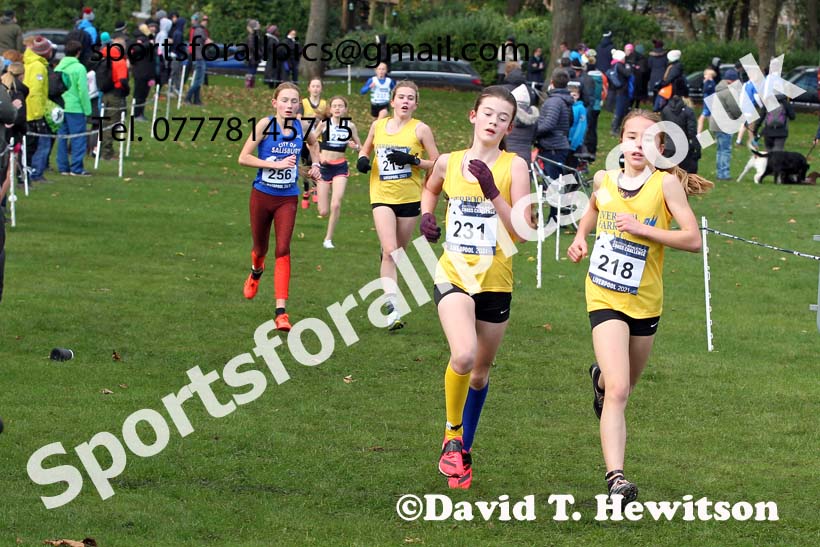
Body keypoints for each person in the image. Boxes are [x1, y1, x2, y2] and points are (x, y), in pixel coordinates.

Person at [567, 109, 713, 504]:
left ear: (660, 148)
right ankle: (616, 479)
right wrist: (581, 238)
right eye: (631, 136)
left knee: (623, 385)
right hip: (604, 294)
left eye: (648, 139)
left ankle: (598, 378)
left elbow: (692, 239)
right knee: (618, 390)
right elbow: (593, 210)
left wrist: (644, 230)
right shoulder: (604, 179)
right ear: (621, 142)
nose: (638, 145)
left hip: (646, 301)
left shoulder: (665, 185)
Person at [421, 85, 531, 489]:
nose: (493, 121)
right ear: (473, 116)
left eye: (502, 118)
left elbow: (522, 231)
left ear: (510, 126)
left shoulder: (514, 167)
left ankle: (463, 451)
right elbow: (430, 187)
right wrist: (426, 217)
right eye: (488, 113)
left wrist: (492, 192)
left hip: (496, 281)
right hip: (453, 274)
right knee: (463, 355)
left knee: (480, 374)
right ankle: (452, 436)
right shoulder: (449, 161)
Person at [237, 82, 322, 331]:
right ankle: (256, 271)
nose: (289, 105)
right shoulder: (265, 125)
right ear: (275, 103)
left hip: (288, 198)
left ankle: (281, 313)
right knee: (260, 247)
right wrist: (276, 165)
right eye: (284, 100)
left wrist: (316, 165)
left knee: (283, 249)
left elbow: (314, 145)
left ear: (299, 105)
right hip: (262, 195)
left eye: (294, 101)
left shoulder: (302, 126)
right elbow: (243, 158)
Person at [356, 80, 439, 330]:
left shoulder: (421, 130)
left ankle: (386, 261)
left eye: (410, 98)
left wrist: (412, 160)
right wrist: (361, 159)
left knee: (395, 254)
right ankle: (392, 308)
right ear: (392, 101)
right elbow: (365, 149)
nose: (405, 101)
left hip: (410, 199)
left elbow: (437, 163)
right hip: (381, 195)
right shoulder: (378, 125)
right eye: (401, 97)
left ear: (415, 103)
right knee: (392, 249)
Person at [317, 96, 361, 249]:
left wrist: (354, 147)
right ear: (330, 109)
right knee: (323, 211)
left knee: (336, 204)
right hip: (324, 168)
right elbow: (311, 142)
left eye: (340, 106)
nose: (337, 108)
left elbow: (360, 148)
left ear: (345, 109)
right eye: (334, 106)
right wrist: (319, 156)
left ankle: (328, 238)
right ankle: (317, 190)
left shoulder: (350, 126)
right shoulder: (323, 125)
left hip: (340, 167)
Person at [55, 40, 92, 176]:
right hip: (75, 107)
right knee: (78, 138)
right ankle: (76, 167)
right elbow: (82, 90)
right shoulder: (79, 68)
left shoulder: (58, 67)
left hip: (60, 106)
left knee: (62, 137)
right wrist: (87, 109)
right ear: (78, 52)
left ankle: (63, 166)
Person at [23, 36, 53, 183]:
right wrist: (38, 115)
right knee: (39, 144)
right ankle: (34, 173)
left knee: (31, 146)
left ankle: (28, 174)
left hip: (29, 110)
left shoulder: (31, 63)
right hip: (34, 112)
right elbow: (35, 91)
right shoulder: (38, 66)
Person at [99, 35, 129, 161]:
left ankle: (100, 150)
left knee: (105, 122)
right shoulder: (120, 61)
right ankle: (107, 153)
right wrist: (127, 90)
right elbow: (122, 81)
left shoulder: (105, 56)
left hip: (105, 93)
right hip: (116, 94)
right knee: (112, 124)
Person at [298, 78, 327, 209]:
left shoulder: (324, 104)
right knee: (305, 164)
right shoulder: (303, 103)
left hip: (318, 139)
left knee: (314, 162)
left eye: (318, 86)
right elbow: (298, 118)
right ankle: (305, 191)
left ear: (321, 88)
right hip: (305, 138)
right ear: (309, 88)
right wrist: (310, 119)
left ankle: (315, 188)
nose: (315, 89)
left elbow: (328, 120)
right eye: (313, 86)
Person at [709, 68, 741, 181]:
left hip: (716, 124)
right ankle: (724, 174)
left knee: (720, 150)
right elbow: (735, 109)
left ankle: (719, 172)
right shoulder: (728, 92)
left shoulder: (718, 89)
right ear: (731, 81)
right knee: (726, 150)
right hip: (725, 125)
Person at [661, 95, 700, 173]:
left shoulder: (665, 110)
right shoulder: (688, 112)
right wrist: (697, 148)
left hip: (669, 146)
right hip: (683, 147)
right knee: (685, 174)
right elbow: (691, 132)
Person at [184, 13, 209, 105]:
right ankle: (188, 97)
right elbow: (205, 41)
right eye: (204, 20)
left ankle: (197, 100)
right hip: (199, 57)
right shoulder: (199, 30)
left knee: (198, 79)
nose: (206, 22)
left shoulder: (198, 29)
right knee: (198, 80)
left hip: (199, 56)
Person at [584, 50, 605, 158]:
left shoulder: (589, 79)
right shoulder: (600, 77)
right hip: (597, 105)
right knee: (594, 128)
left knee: (589, 128)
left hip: (591, 106)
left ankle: (589, 149)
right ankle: (593, 148)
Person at [607, 50, 632, 136]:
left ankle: (617, 128)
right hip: (621, 91)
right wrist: (629, 67)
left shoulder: (614, 64)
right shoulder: (620, 65)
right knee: (619, 110)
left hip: (618, 91)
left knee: (621, 110)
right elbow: (627, 74)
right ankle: (614, 129)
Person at [565, 81, 588, 170]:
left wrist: (574, 144)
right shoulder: (566, 106)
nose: (572, 97)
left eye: (574, 95)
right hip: (566, 141)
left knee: (571, 167)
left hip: (574, 142)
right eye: (570, 95)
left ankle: (573, 183)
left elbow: (581, 127)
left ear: (578, 96)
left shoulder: (580, 108)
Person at [697, 68, 717, 134]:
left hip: (709, 105)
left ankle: (698, 135)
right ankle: (717, 135)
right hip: (706, 104)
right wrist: (705, 82)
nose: (704, 76)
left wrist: (705, 82)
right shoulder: (707, 82)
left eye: (705, 74)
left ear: (709, 75)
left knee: (700, 120)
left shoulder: (711, 83)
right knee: (711, 122)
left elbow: (705, 90)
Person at [244, 19, 261, 89]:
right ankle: (249, 86)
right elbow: (253, 47)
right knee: (251, 72)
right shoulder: (253, 36)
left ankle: (250, 86)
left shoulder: (253, 36)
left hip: (253, 57)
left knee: (252, 72)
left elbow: (253, 47)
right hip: (253, 57)